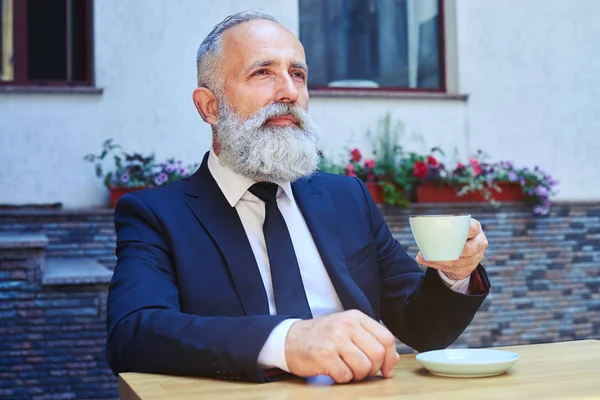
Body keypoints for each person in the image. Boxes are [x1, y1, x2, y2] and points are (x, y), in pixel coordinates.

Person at [105, 10, 490, 384]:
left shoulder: (347, 198)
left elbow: (423, 328)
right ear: (209, 106)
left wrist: (453, 276)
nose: (289, 92)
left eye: (298, 74)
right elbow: (133, 333)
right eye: (263, 73)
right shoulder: (157, 215)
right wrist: (286, 341)